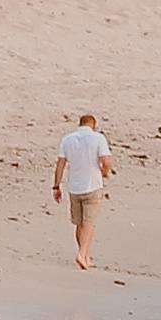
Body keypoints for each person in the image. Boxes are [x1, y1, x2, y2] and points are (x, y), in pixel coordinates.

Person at [52, 112, 114, 270]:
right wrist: (105, 172)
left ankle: (85, 256)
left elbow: (60, 164)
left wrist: (56, 186)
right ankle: (82, 253)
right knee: (89, 223)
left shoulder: (67, 139)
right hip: (92, 185)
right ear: (93, 125)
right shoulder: (98, 138)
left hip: (74, 187)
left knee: (79, 223)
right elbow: (106, 161)